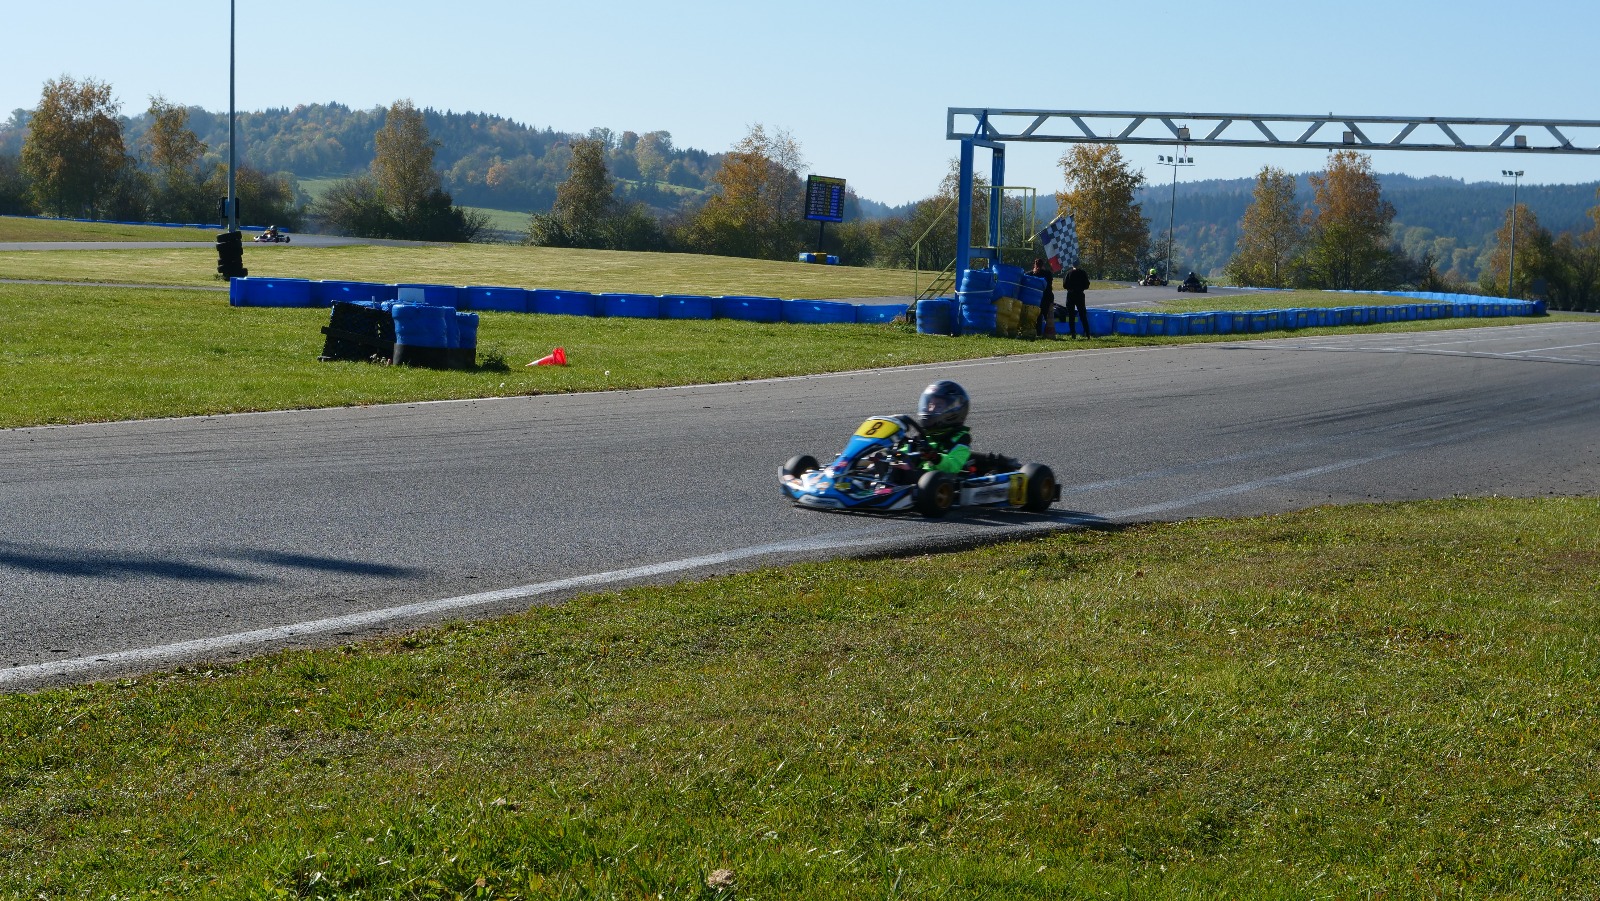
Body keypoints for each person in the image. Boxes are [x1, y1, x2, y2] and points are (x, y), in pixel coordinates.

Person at [907, 380, 972, 474]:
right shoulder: (923, 435)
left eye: (938, 406)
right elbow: (906, 451)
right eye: (930, 405)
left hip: (939, 481)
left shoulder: (961, 438)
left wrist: (935, 457)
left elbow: (952, 466)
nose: (931, 409)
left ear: (954, 411)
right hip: (914, 476)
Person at [1062, 262, 1091, 339]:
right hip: (1080, 294)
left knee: (1071, 315)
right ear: (1079, 265)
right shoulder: (1083, 273)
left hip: (1071, 295)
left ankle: (1073, 334)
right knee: (1082, 314)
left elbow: (1064, 285)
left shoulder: (1069, 273)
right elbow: (1087, 285)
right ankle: (1087, 333)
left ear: (1072, 265)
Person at [1029, 257, 1056, 339]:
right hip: (1047, 297)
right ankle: (1049, 333)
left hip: (1037, 297)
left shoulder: (1031, 274)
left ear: (1034, 265)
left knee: (1038, 316)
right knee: (1048, 316)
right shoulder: (1047, 273)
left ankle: (1038, 333)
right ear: (1043, 265)